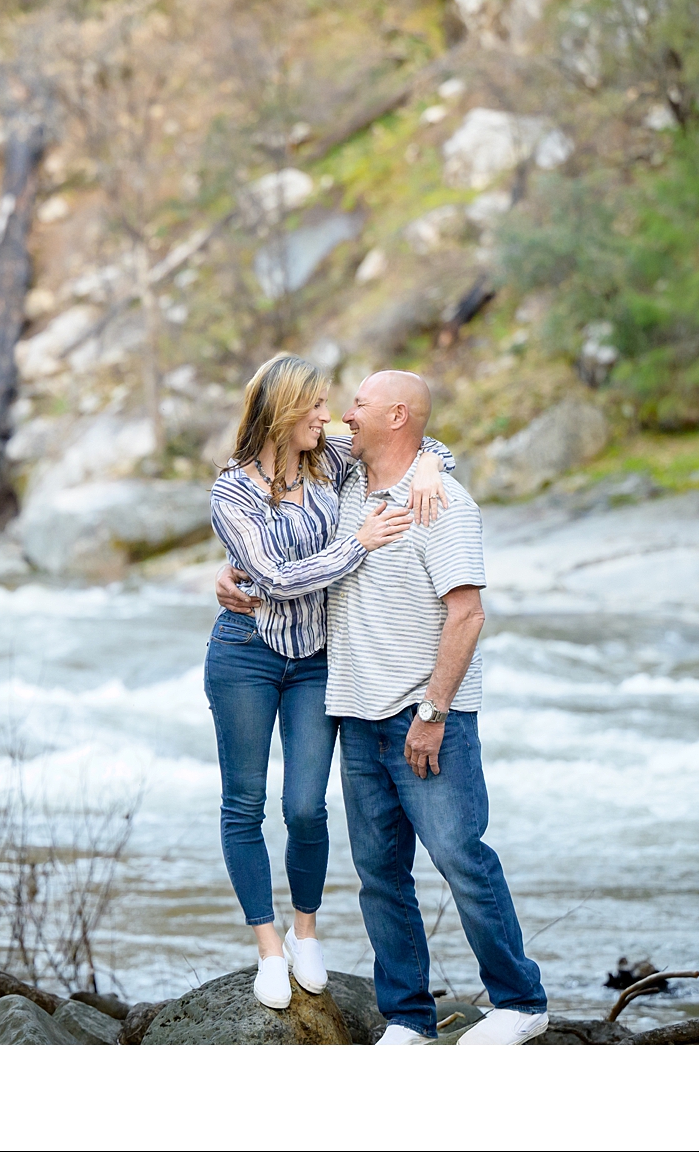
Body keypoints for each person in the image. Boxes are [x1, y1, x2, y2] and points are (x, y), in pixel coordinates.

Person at [217, 369, 548, 1045]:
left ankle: (520, 1001)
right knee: (380, 875)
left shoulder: (442, 502)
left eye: (356, 405)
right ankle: (407, 1018)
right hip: (354, 710)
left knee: (460, 855)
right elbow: (281, 556)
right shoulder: (343, 482)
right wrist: (227, 571)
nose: (342, 415)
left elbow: (468, 614)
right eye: (332, 406)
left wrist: (434, 713)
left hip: (422, 716)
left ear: (394, 416)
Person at [204, 353, 458, 1012]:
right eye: (316, 406)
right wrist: (361, 543)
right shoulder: (231, 490)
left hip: (316, 658)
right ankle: (267, 947)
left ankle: (305, 930)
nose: (330, 415)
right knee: (244, 804)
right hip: (246, 654)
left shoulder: (332, 461)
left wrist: (431, 464)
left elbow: (415, 440)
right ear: (284, 411)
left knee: (305, 808)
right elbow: (276, 579)